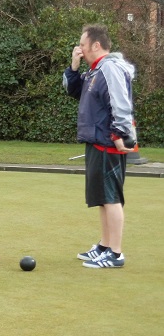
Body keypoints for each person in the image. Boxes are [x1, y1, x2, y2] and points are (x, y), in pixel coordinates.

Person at [63, 24, 136, 268]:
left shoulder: (110, 69)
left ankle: (115, 253)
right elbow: (74, 90)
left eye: (82, 45)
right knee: (102, 198)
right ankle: (105, 245)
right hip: (96, 140)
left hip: (108, 141)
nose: (79, 49)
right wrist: (74, 66)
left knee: (111, 197)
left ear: (96, 45)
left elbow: (120, 103)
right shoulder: (94, 71)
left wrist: (119, 133)